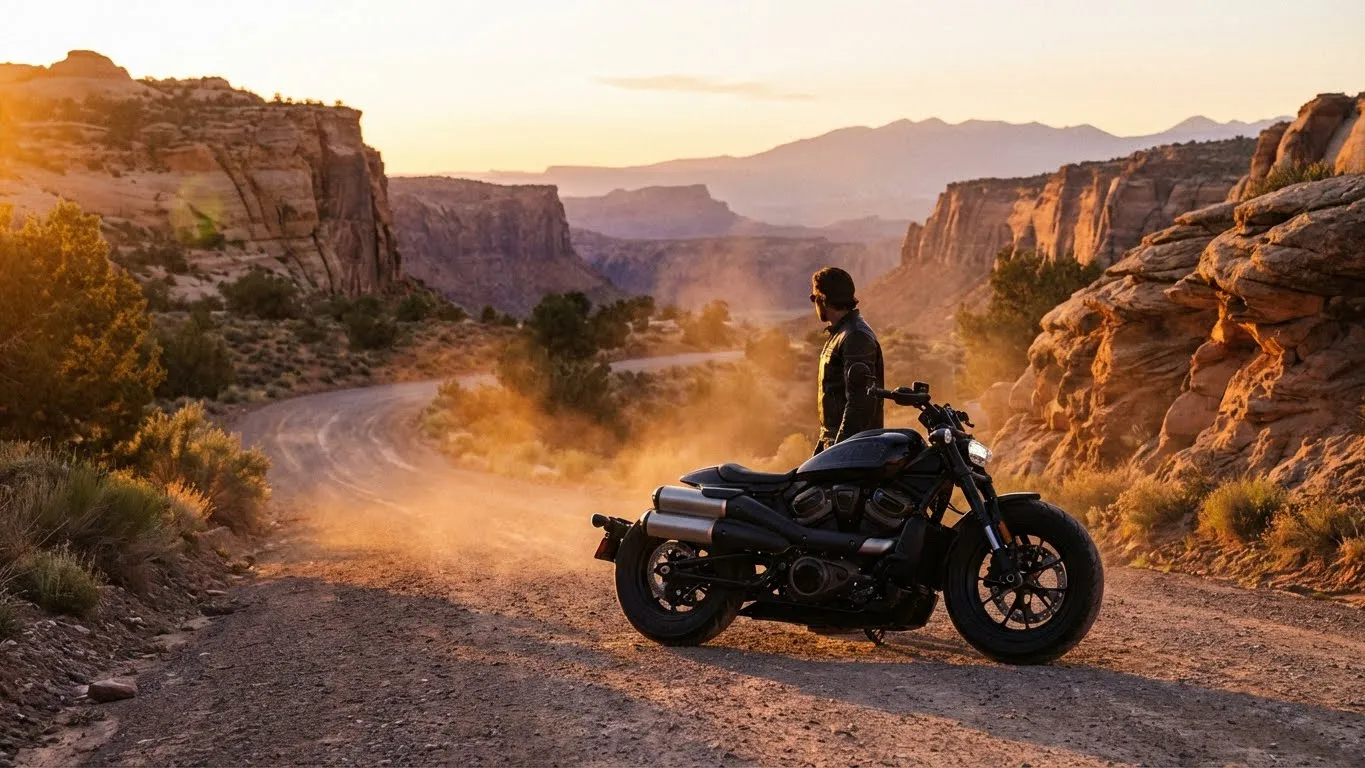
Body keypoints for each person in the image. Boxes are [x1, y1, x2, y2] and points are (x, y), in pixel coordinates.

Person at [810, 266, 884, 454]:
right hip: (839, 445)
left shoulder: (855, 336)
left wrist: (839, 451)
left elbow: (860, 403)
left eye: (813, 298)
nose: (814, 304)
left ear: (823, 299)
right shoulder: (842, 333)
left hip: (854, 451)